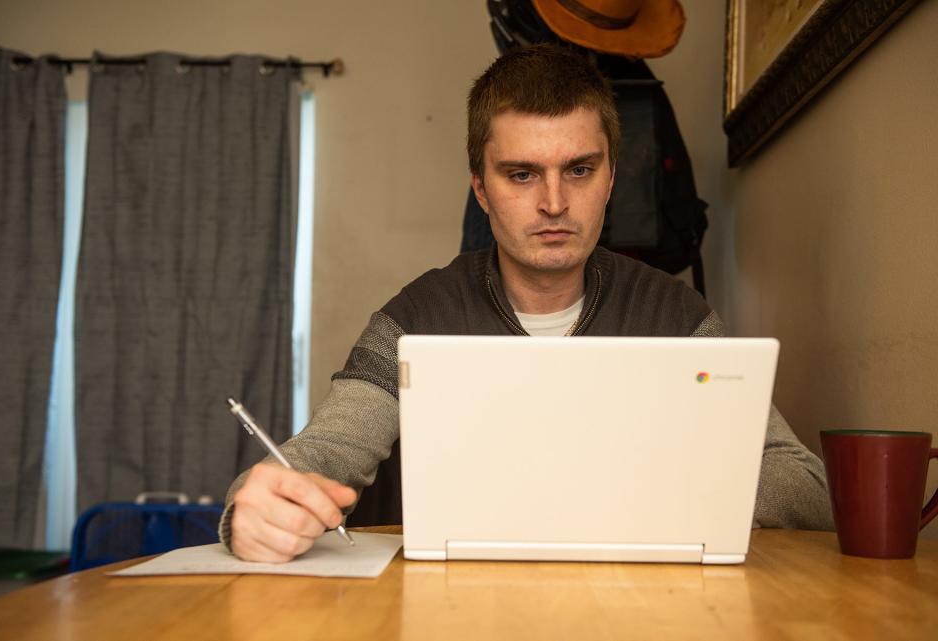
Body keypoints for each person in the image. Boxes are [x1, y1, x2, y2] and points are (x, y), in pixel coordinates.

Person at [221, 44, 834, 563]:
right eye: (520, 175)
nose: (554, 203)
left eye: (580, 170)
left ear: (611, 180)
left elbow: (804, 482)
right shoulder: (416, 317)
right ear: (480, 190)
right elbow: (328, 450)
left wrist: (643, 486)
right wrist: (254, 504)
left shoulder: (676, 315)